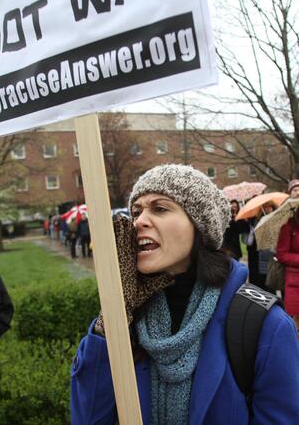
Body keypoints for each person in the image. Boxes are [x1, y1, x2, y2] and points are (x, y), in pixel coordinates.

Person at [71, 164, 299, 425]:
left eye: (159, 208)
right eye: (136, 212)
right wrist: (111, 320)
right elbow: (88, 418)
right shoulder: (125, 316)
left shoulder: (264, 324)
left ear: (199, 226)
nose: (139, 221)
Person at [276, 179, 299, 332]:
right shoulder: (288, 225)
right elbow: (282, 254)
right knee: (295, 322)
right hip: (295, 281)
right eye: (295, 190)